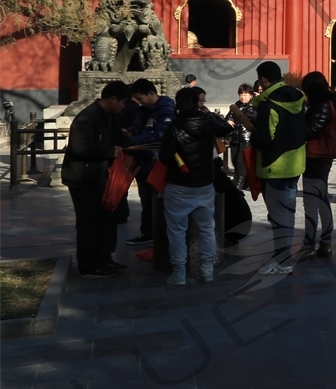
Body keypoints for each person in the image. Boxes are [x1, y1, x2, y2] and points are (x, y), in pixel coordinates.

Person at [228, 61, 307, 275]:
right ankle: (283, 256)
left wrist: (250, 125)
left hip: (274, 166)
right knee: (287, 213)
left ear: (263, 80)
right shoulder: (298, 98)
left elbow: (263, 139)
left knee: (279, 216)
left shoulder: (269, 105)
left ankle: (282, 260)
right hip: (295, 162)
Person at [157, 86, 233, 285]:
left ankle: (179, 272)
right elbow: (227, 128)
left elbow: (164, 157)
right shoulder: (208, 123)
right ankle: (207, 269)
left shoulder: (174, 127)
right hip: (204, 183)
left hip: (178, 185)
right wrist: (211, 116)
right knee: (207, 228)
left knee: (176, 230)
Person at [60, 79, 132, 278]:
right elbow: (80, 147)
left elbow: (120, 139)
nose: (123, 106)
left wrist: (139, 147)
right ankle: (89, 264)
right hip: (83, 178)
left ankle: (105, 259)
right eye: (122, 102)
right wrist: (110, 151)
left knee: (107, 220)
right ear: (112, 99)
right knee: (89, 222)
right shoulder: (88, 117)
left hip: (102, 178)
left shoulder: (109, 116)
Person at [297, 70, 336, 256]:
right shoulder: (325, 103)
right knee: (318, 198)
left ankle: (314, 242)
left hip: (317, 156)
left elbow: (311, 130)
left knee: (314, 199)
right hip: (320, 156)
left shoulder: (322, 105)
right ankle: (322, 241)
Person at [124, 79, 174, 244]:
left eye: (141, 98)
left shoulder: (165, 110)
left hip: (156, 160)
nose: (139, 102)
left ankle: (161, 234)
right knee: (146, 200)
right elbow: (138, 129)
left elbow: (161, 135)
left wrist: (134, 140)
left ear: (151, 93)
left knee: (158, 199)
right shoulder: (143, 110)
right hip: (143, 160)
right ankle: (148, 232)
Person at [229, 83, 254, 187]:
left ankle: (237, 187)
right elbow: (228, 117)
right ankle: (244, 183)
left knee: (241, 164)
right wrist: (228, 121)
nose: (243, 97)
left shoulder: (253, 107)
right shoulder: (236, 106)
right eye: (241, 94)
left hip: (246, 140)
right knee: (235, 162)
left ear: (251, 95)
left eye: (245, 94)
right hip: (235, 138)